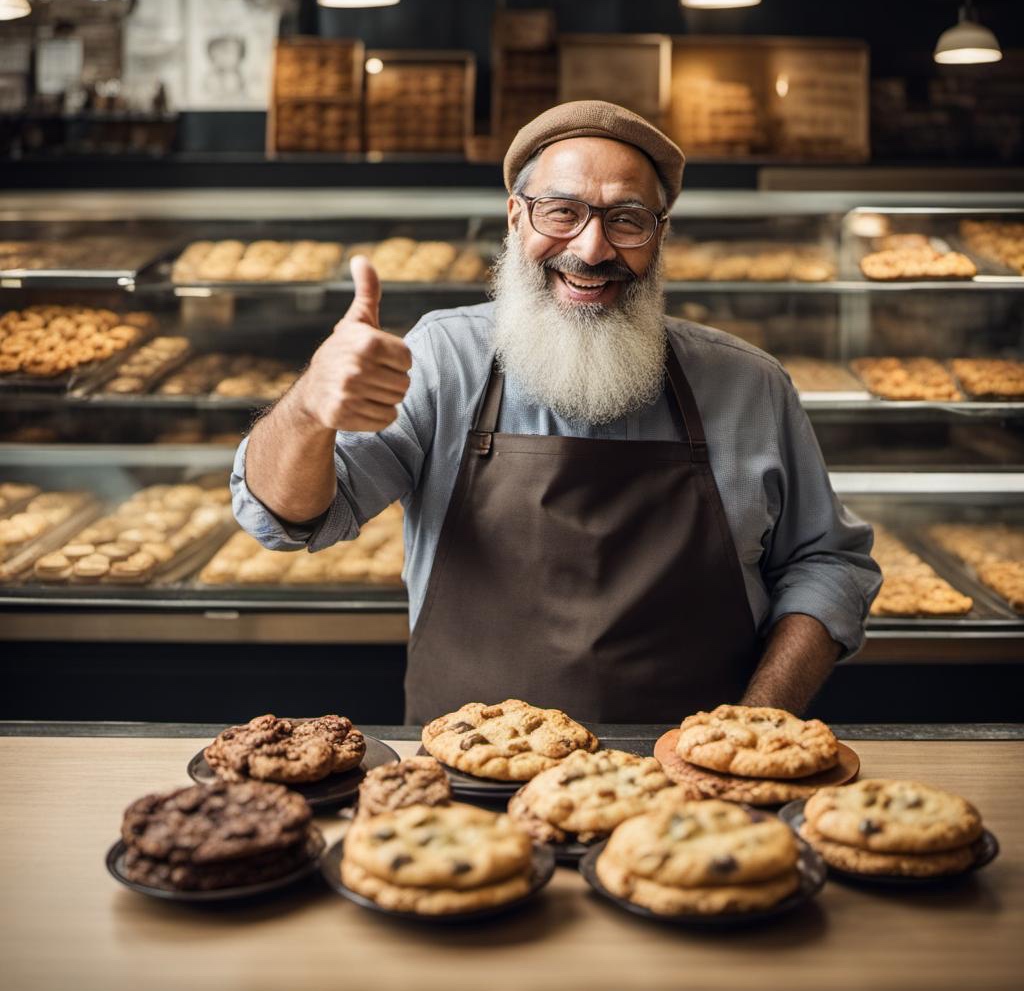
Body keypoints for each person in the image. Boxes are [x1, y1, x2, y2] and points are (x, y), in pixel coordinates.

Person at [231, 100, 881, 723]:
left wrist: (757, 725)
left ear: (661, 234)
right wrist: (311, 409)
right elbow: (286, 519)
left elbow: (828, 564)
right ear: (515, 218)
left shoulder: (749, 385)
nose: (593, 249)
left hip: (693, 793)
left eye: (627, 218)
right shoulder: (442, 359)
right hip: (467, 790)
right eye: (562, 212)